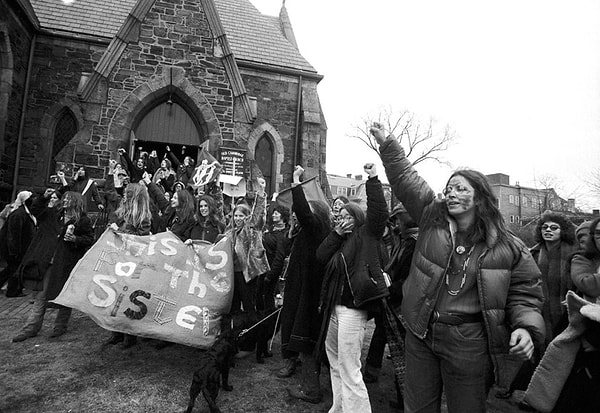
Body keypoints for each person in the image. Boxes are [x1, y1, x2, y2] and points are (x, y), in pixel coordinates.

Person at [370, 123, 545, 413]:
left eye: (460, 189)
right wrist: (388, 144)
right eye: (448, 189)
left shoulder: (508, 246)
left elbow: (525, 294)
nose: (450, 193)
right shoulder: (431, 219)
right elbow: (405, 178)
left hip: (469, 343)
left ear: (479, 197)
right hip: (422, 333)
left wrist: (526, 329)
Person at [316, 163, 389, 412]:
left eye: (348, 217)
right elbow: (320, 256)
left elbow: (379, 213)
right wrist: (336, 233)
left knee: (349, 366)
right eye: (340, 216)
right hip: (333, 309)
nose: (343, 220)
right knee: (335, 362)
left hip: (352, 309)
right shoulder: (338, 239)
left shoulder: (366, 236)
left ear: (358, 219)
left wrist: (373, 179)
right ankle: (339, 408)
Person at [277, 165, 331, 404]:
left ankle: (311, 389)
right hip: (298, 287)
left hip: (308, 292)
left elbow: (302, 210)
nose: (301, 214)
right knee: (295, 328)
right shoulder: (307, 231)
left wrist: (296, 182)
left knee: (307, 337)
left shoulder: (316, 227)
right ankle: (293, 363)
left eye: (307, 210)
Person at [11, 191, 94, 341]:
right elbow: (35, 209)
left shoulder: (83, 221)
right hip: (48, 263)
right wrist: (44, 197)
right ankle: (31, 328)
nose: (65, 200)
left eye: (69, 198)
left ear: (76, 202)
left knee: (65, 296)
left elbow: (89, 239)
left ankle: (60, 327)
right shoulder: (53, 215)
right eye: (65, 198)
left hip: (66, 264)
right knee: (41, 296)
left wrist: (75, 239)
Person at [105, 182, 153, 348]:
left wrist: (121, 233)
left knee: (128, 298)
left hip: (133, 263)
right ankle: (116, 332)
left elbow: (142, 240)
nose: (124, 195)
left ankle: (129, 336)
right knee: (116, 296)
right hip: (120, 259)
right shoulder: (122, 212)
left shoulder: (143, 217)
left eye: (127, 193)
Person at [0, 190, 37, 297]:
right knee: (13, 270)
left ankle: (14, 290)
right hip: (13, 249)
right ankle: (12, 291)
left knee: (12, 270)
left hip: (19, 249)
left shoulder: (26, 214)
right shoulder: (18, 215)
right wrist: (14, 252)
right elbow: (13, 235)